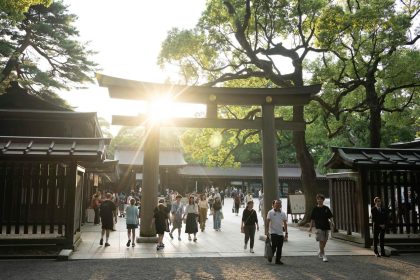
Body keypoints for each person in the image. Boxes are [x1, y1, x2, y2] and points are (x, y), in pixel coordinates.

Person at [308, 193, 334, 262]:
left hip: (326, 226)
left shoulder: (326, 208)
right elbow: (312, 219)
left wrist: (332, 222)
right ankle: (324, 255)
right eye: (318, 199)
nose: (319, 200)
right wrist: (310, 227)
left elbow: (330, 216)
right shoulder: (315, 209)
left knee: (325, 241)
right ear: (316, 200)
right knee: (321, 241)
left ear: (323, 200)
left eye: (321, 199)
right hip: (319, 227)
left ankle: (320, 250)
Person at [265, 199, 288, 264]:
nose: (278, 205)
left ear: (281, 205)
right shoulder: (270, 212)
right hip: (273, 232)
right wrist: (267, 231)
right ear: (273, 205)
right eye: (276, 203)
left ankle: (278, 260)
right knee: (274, 246)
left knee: (280, 247)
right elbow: (267, 222)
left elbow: (285, 223)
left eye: (279, 203)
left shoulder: (283, 213)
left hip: (280, 233)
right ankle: (270, 256)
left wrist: (286, 233)